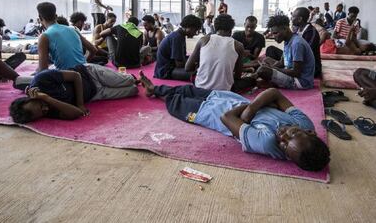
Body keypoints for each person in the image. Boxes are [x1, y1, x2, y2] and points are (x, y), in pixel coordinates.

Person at [139, 72, 330, 171]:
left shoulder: (266, 142)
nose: (282, 136)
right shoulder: (305, 124)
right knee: (187, 89)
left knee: (174, 102)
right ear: (309, 132)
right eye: (292, 134)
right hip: (223, 96)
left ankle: (155, 92)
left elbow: (226, 118)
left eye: (284, 145)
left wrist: (253, 107)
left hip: (206, 113)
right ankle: (154, 89)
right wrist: (250, 111)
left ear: (286, 156)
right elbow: (274, 92)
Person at [9, 63, 139, 123]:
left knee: (128, 81)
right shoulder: (46, 110)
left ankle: (133, 77)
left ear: (30, 97)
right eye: (42, 111)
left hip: (91, 74)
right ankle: (131, 82)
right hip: (96, 94)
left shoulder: (41, 79)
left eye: (39, 105)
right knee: (133, 90)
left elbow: (76, 76)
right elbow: (76, 113)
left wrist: (80, 104)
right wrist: (47, 99)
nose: (44, 109)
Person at [185, 14, 244, 91]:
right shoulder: (238, 46)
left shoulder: (203, 40)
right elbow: (238, 76)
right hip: (224, 91)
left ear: (215, 27)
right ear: (231, 29)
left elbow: (187, 67)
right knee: (249, 80)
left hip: (200, 88)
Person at [255, 15, 315, 90]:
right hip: (292, 74)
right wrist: (270, 66)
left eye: (275, 33)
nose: (273, 36)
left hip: (300, 82)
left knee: (262, 71)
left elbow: (296, 72)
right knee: (266, 60)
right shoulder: (288, 40)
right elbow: (282, 62)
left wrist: (274, 69)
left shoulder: (297, 44)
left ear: (285, 29)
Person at [36, 2, 94, 71]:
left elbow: (43, 70)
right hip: (84, 73)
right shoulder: (73, 30)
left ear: (40, 18)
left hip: (67, 78)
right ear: (56, 16)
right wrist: (83, 64)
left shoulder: (44, 36)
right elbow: (93, 50)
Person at [154, 15, 202, 81]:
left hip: (169, 67)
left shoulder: (179, 35)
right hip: (166, 71)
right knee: (200, 74)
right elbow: (179, 64)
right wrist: (194, 62)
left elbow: (182, 58)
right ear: (188, 27)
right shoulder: (177, 37)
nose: (196, 33)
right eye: (195, 30)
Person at [291, 7, 322, 77]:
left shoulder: (311, 32)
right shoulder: (297, 30)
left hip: (310, 67)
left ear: (299, 19)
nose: (291, 19)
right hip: (297, 60)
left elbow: (306, 52)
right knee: (271, 50)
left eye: (293, 17)